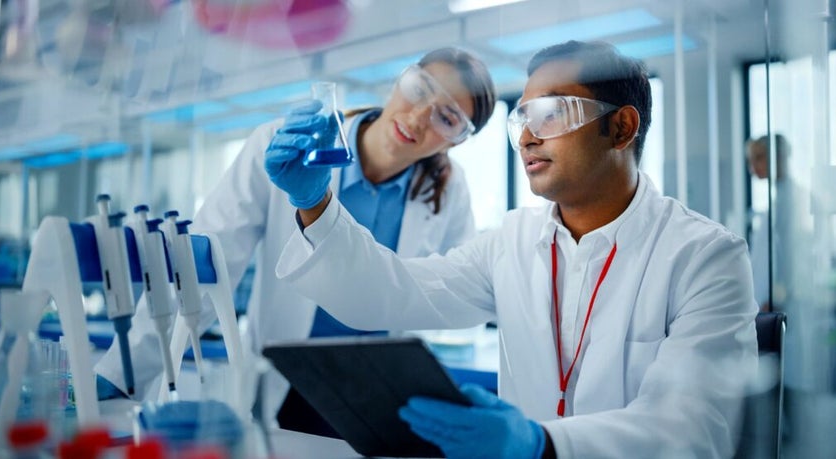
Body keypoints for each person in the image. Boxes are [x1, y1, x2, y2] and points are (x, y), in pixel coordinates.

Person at [268, 40, 758, 458]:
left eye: (549, 114)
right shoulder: (513, 241)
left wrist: (540, 445)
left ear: (622, 128)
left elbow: (694, 431)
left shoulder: (706, 258)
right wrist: (315, 202)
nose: (525, 137)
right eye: (522, 117)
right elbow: (390, 293)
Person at [94, 47, 498, 432]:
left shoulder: (447, 192)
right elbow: (205, 265)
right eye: (420, 90)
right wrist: (124, 370)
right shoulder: (288, 146)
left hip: (375, 386)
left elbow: (452, 295)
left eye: (447, 118)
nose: (418, 118)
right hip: (286, 376)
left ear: (458, 140)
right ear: (400, 80)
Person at [745, 134, 790, 312]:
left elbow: (790, 259)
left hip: (777, 303)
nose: (753, 167)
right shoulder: (776, 202)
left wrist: (777, 297)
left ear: (779, 157)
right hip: (765, 300)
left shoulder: (789, 202)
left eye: (759, 158)